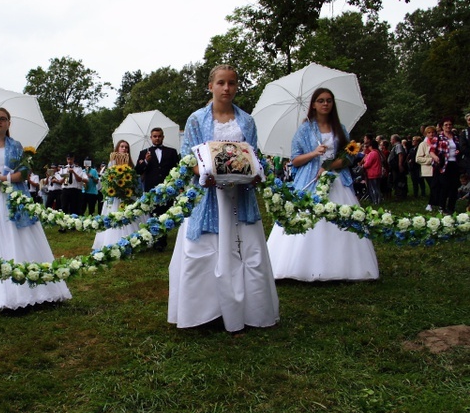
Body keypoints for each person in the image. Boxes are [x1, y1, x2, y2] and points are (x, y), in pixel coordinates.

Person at [168, 64, 279, 331]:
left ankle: (249, 311)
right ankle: (204, 313)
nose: (226, 88)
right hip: (207, 195)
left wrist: (253, 172)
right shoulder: (196, 119)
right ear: (211, 86)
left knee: (245, 250)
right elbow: (188, 158)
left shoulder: (247, 121)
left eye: (231, 83)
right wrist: (205, 173)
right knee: (203, 250)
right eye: (221, 83)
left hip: (240, 195)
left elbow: (253, 155)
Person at [0, 107, 72, 312]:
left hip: (14, 198)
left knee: (20, 238)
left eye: (2, 119)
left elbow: (22, 174)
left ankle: (32, 291)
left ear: (9, 123)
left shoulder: (16, 146)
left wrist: (2, 179)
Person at [267, 87, 379, 281]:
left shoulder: (340, 128)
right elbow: (295, 160)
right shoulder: (305, 129)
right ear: (314, 105)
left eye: (328, 100)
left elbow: (349, 156)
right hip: (310, 180)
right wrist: (314, 153)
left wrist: (330, 165)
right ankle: (300, 266)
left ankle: (343, 266)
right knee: (308, 218)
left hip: (337, 180)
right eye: (321, 100)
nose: (325, 104)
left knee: (340, 219)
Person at [92, 141, 146, 250]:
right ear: (117, 148)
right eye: (122, 147)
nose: (124, 149)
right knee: (114, 215)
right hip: (115, 195)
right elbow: (107, 179)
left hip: (128, 194)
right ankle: (113, 240)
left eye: (126, 147)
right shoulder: (112, 163)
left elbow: (135, 179)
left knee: (129, 215)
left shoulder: (130, 164)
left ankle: (132, 240)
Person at [135, 127, 180, 251]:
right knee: (154, 214)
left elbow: (177, 169)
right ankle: (157, 241)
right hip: (151, 189)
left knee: (165, 214)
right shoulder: (144, 152)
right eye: (155, 136)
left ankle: (162, 238)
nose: (157, 138)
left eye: (159, 136)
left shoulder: (171, 152)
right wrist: (145, 161)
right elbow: (138, 170)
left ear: (163, 137)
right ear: (151, 138)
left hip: (168, 189)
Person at [430, 117, 461, 214]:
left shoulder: (456, 137)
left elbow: (459, 148)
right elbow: (431, 151)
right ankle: (441, 206)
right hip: (443, 164)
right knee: (444, 186)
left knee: (454, 186)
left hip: (454, 163)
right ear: (442, 126)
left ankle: (451, 207)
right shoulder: (438, 137)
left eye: (450, 124)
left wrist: (458, 151)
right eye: (446, 125)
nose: (448, 126)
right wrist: (435, 157)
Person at [57, 153, 87, 222]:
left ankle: (73, 223)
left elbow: (79, 179)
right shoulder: (63, 169)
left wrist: (73, 172)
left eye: (71, 159)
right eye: (68, 159)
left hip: (75, 190)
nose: (69, 161)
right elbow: (61, 181)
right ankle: (63, 223)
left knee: (74, 207)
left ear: (73, 159)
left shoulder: (78, 168)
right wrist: (66, 174)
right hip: (66, 189)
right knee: (64, 207)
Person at [416, 125, 439, 211]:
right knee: (433, 187)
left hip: (437, 169)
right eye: (429, 133)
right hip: (428, 170)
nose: (431, 134)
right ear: (426, 134)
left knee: (437, 187)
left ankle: (436, 204)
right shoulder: (423, 144)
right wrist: (431, 160)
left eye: (433, 132)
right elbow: (418, 158)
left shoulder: (437, 143)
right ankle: (430, 204)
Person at [361, 140, 382, 204]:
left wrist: (363, 165)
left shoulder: (372, 153)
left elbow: (368, 164)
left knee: (373, 188)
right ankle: (379, 200)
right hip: (377, 172)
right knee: (377, 188)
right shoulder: (377, 153)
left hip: (372, 173)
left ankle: (376, 201)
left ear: (371, 146)